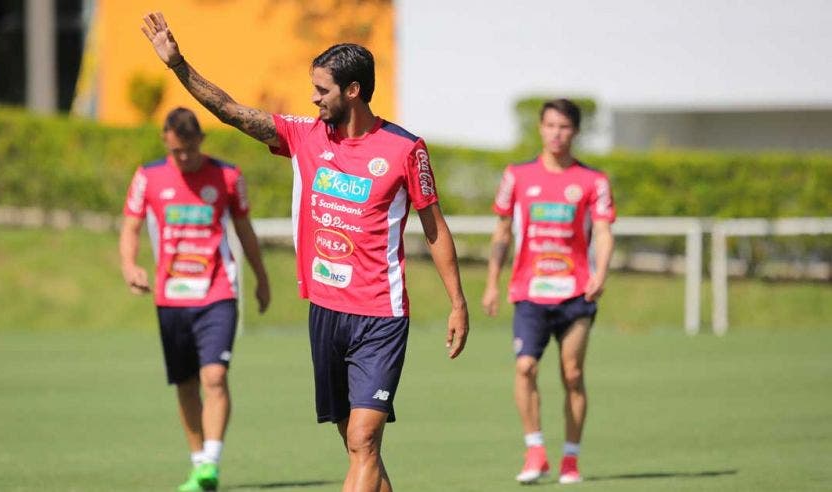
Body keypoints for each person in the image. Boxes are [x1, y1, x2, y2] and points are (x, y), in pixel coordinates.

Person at [141, 12, 469, 492]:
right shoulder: (305, 136)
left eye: (322, 89)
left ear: (353, 90)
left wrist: (457, 302)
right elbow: (231, 111)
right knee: (356, 444)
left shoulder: (405, 149)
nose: (313, 98)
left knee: (364, 439)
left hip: (380, 315)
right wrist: (178, 66)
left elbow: (434, 226)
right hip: (326, 313)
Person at [119, 107, 270, 492]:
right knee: (186, 384)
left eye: (189, 150)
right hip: (171, 298)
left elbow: (245, 230)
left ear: (201, 141)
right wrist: (129, 266)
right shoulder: (148, 177)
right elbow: (131, 226)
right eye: (176, 151)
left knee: (215, 376)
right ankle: (198, 462)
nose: (183, 158)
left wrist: (262, 277)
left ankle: (212, 463)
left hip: (218, 292)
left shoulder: (228, 177)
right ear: (165, 142)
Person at [482, 99, 615, 485]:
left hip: (577, 293)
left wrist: (600, 273)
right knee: (525, 366)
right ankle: (535, 450)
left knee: (572, 374)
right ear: (540, 128)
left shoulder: (593, 181)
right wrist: (492, 283)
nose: (556, 133)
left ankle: (570, 458)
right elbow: (502, 231)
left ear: (575, 132)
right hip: (529, 292)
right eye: (550, 125)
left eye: (564, 127)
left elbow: (604, 232)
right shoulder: (517, 176)